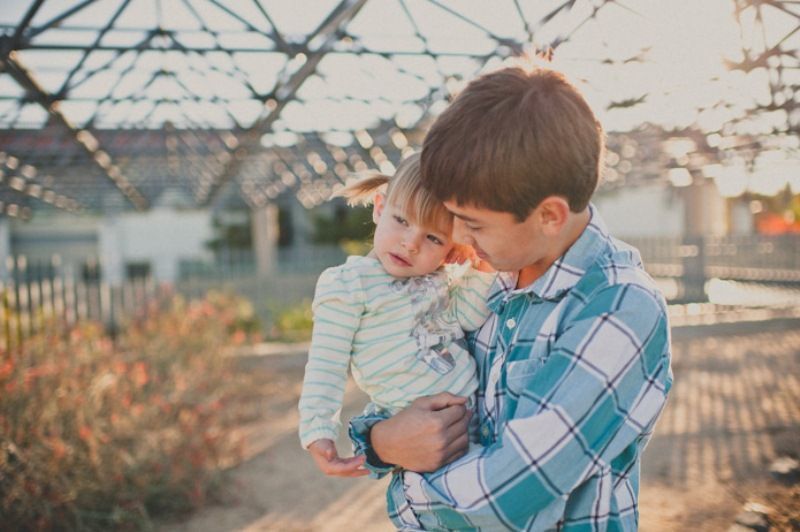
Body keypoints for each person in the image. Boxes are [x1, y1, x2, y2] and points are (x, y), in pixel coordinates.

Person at [346, 65, 674, 530]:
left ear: (548, 216)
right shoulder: (488, 277)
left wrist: (404, 487)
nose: (456, 236)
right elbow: (414, 383)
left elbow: (506, 494)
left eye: (473, 223)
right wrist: (380, 440)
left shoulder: (619, 308)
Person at [297, 153, 496, 477]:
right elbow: (326, 363)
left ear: (451, 245)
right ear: (379, 208)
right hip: (416, 440)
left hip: (474, 427)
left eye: (433, 237)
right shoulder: (348, 284)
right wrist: (318, 430)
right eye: (401, 221)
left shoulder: (438, 279)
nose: (411, 243)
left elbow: (468, 317)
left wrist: (481, 266)